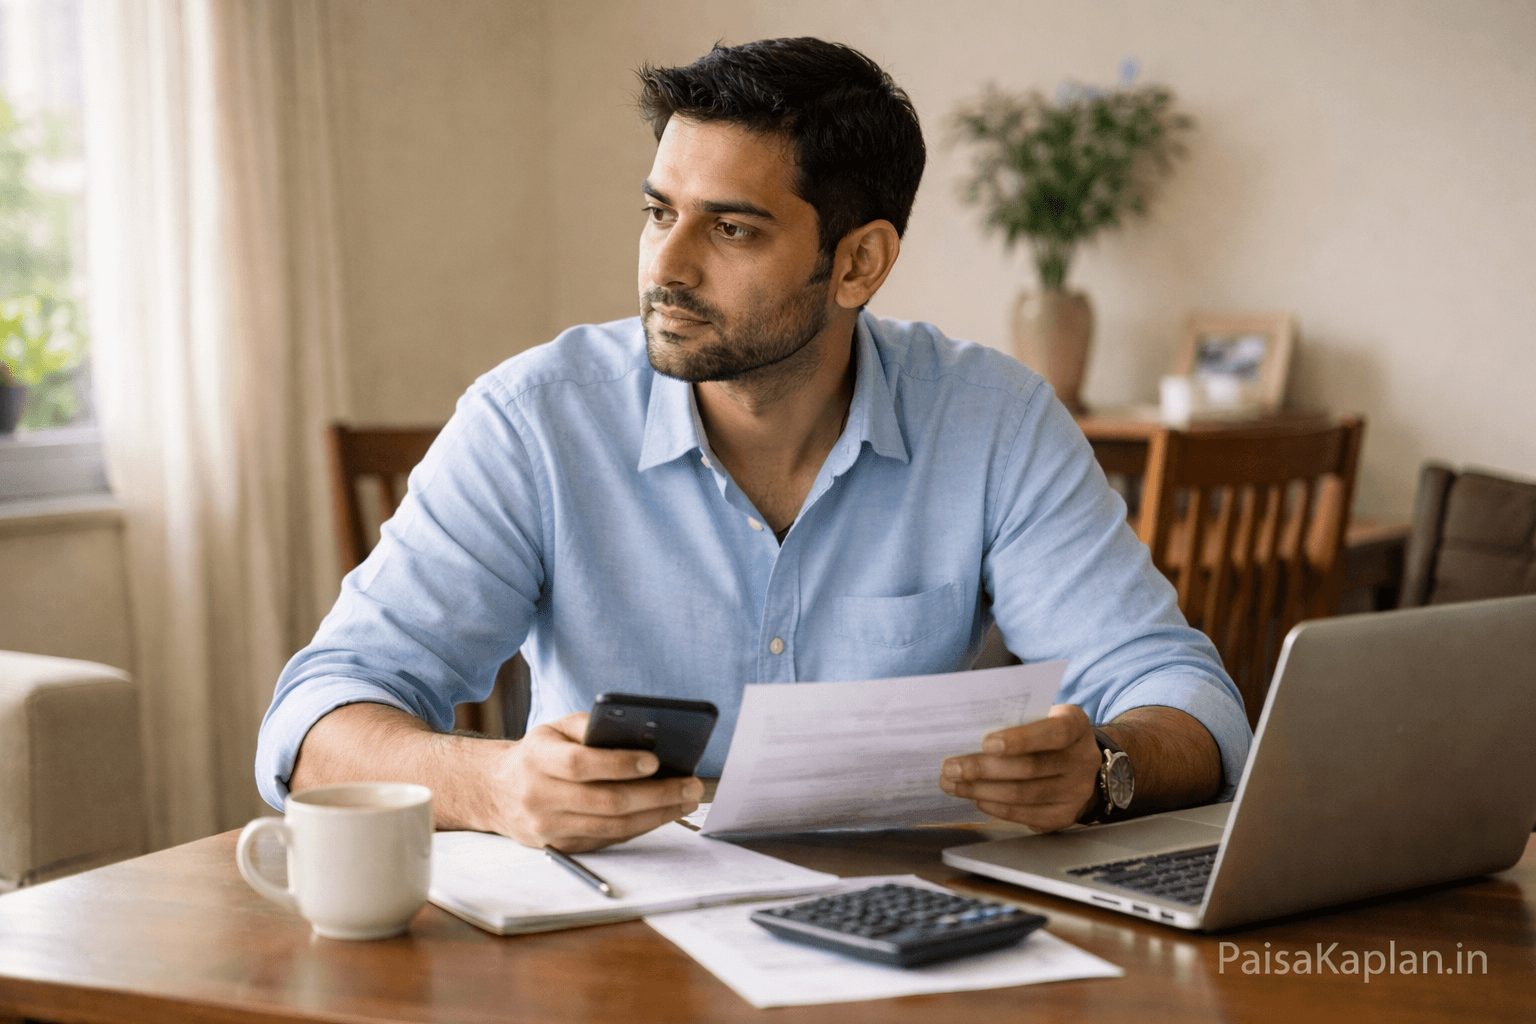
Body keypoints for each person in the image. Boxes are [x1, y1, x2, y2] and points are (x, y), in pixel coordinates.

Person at [256, 37, 1250, 853]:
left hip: (906, 947)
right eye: (658, 214)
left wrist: (1103, 765)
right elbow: (313, 722)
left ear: (858, 261)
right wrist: (499, 781)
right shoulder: (533, 420)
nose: (666, 266)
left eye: (730, 229)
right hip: (611, 953)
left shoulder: (991, 419)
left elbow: (1187, 700)